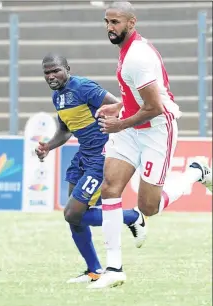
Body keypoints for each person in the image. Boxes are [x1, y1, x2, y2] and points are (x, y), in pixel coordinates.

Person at [87, 1, 212, 289]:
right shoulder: (127, 51)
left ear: (132, 23)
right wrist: (118, 107)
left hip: (156, 129)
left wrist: (118, 123)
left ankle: (196, 171)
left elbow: (155, 107)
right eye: (107, 22)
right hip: (132, 127)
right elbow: (137, 96)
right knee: (110, 188)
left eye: (116, 22)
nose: (110, 27)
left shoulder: (137, 57)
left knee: (149, 207)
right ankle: (114, 268)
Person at [35, 53, 147, 284]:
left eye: (55, 70)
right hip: (83, 155)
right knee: (75, 219)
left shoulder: (83, 87)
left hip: (101, 156)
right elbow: (65, 131)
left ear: (67, 68)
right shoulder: (58, 97)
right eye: (47, 72)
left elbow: (119, 106)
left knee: (73, 213)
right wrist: (48, 146)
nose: (51, 76)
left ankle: (131, 216)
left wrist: (119, 139)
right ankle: (94, 271)